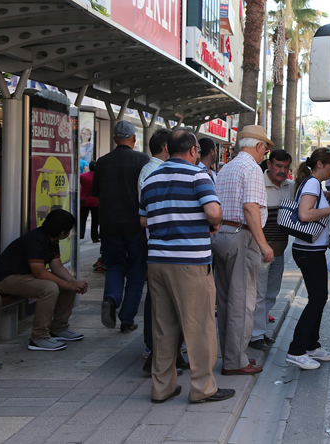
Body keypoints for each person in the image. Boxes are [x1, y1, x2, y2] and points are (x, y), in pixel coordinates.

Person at [139, 128, 234, 404]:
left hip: (157, 262)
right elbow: (214, 212)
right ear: (193, 150)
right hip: (190, 262)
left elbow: (144, 220)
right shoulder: (198, 175)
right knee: (199, 326)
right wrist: (212, 224)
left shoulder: (152, 178)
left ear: (168, 149)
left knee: (163, 327)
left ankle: (162, 388)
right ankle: (203, 388)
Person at [212, 125, 274, 375]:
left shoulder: (227, 167)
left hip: (222, 235)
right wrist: (263, 244)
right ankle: (235, 361)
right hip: (241, 236)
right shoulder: (251, 168)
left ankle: (230, 356)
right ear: (259, 146)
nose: (264, 156)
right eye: (265, 151)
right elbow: (250, 209)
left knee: (226, 301)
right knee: (243, 303)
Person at [0, 210, 88, 351]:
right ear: (62, 232)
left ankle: (59, 328)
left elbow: (57, 266)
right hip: (6, 279)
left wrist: (73, 282)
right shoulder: (36, 240)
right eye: (68, 230)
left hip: (25, 276)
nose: (69, 233)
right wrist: (69, 284)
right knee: (49, 288)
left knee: (67, 284)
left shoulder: (52, 239)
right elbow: (40, 273)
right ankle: (39, 337)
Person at [137, 129, 187, 373]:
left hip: (159, 247)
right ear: (168, 148)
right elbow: (146, 217)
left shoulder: (152, 172)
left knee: (161, 304)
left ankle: (161, 356)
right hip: (165, 247)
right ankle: (155, 351)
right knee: (161, 305)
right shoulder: (156, 172)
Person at [286, 147, 330, 370]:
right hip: (307, 252)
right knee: (317, 299)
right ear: (320, 164)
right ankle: (296, 350)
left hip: (313, 250)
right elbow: (305, 214)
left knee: (319, 297)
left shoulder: (313, 185)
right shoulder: (311, 184)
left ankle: (311, 345)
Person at [92, 120, 150, 334]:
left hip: (109, 226)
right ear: (134, 139)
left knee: (115, 267)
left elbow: (96, 192)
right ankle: (127, 319)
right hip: (136, 226)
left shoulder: (103, 162)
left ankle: (111, 298)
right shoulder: (142, 160)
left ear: (115, 139)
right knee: (136, 272)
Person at [249, 149, 294, 350]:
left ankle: (260, 331)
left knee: (271, 293)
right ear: (269, 164)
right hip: (261, 250)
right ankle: (255, 335)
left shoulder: (290, 187)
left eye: (286, 167)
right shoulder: (258, 184)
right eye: (278, 166)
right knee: (258, 294)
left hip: (279, 251)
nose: (282, 171)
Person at [79, 161, 100, 243]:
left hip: (84, 201)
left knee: (82, 219)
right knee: (95, 220)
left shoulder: (82, 176)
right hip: (95, 201)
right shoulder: (98, 177)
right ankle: (94, 237)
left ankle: (80, 235)